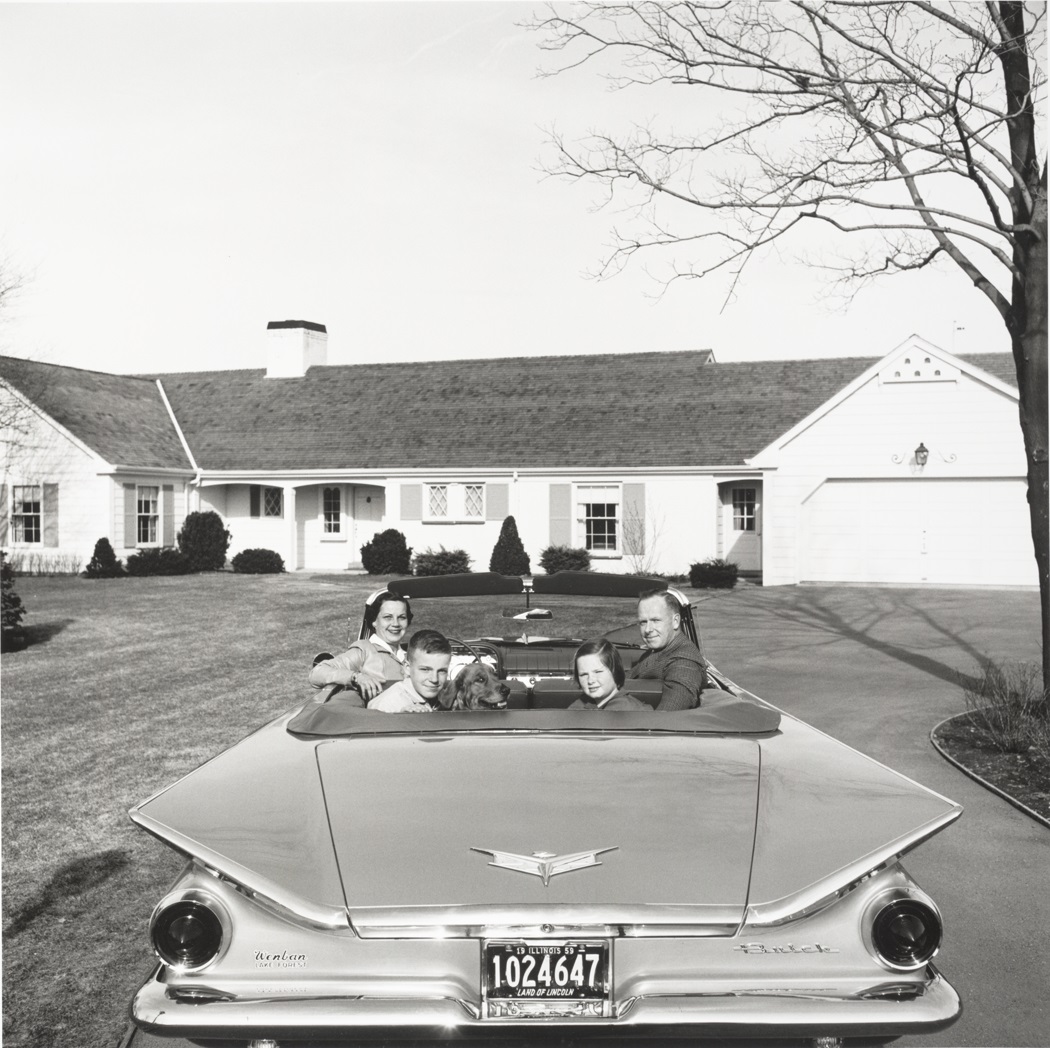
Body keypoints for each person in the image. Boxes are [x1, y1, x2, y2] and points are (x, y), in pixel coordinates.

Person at [309, 591, 411, 700]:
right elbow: (317, 673)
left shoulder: (413, 653)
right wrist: (356, 677)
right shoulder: (364, 650)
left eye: (402, 617)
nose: (395, 624)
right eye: (387, 617)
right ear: (374, 621)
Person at [625, 589, 707, 710]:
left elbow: (668, 715)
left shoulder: (684, 662)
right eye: (643, 622)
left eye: (655, 620)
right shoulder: (658, 649)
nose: (648, 629)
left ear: (675, 621)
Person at [368, 629, 452, 712]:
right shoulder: (386, 706)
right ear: (407, 668)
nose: (434, 679)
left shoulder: (445, 696)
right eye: (425, 670)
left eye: (442, 671)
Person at [569, 639, 649, 711]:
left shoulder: (630, 711)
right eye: (583, 674)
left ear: (615, 671)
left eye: (598, 672)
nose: (590, 680)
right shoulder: (580, 704)